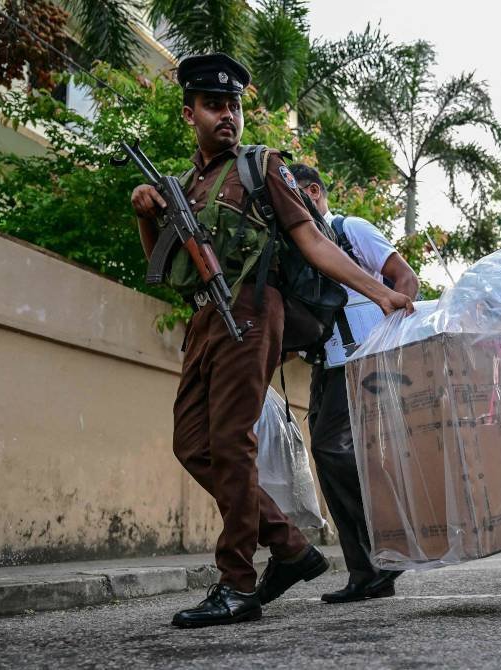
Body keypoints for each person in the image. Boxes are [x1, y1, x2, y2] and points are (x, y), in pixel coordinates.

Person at [129, 54, 413, 628]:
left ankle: (237, 585)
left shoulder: (262, 167)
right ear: (191, 114)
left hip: (252, 312)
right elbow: (163, 269)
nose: (226, 115)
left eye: (233, 104)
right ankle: (289, 546)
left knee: (231, 443)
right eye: (213, 105)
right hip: (205, 318)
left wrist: (378, 291)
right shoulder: (184, 185)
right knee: (193, 444)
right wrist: (145, 213)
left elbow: (311, 240)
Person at [289, 163, 419, 603]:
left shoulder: (350, 229)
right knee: (327, 459)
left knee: (330, 448)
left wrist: (394, 336)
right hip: (327, 363)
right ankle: (366, 572)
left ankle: (391, 543)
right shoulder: (300, 245)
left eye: (291, 194)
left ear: (312, 191)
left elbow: (405, 278)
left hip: (364, 359)